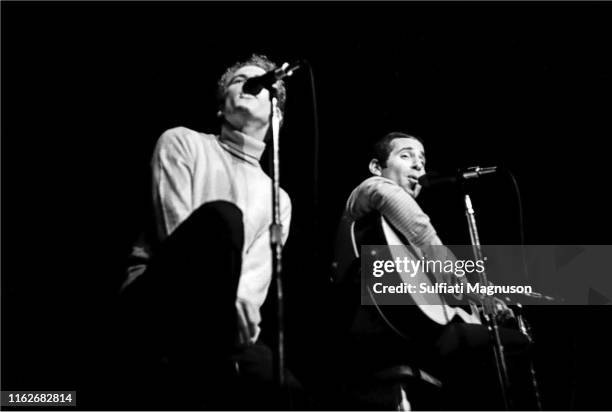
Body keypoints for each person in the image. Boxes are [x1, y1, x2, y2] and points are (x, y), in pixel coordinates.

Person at [117, 54, 295, 410]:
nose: (249, 84)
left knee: (288, 389)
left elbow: (253, 287)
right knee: (224, 218)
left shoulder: (280, 199)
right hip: (159, 295)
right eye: (239, 80)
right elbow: (176, 235)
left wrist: (238, 317)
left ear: (276, 115)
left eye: (260, 83)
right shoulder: (181, 142)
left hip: (224, 324)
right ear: (220, 108)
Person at [331, 131, 527, 410]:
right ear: (377, 167)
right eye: (406, 156)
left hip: (412, 332)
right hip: (375, 334)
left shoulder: (397, 239)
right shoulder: (368, 190)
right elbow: (408, 217)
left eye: (422, 160)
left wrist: (474, 311)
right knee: (515, 345)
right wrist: (479, 297)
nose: (418, 166)